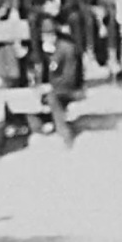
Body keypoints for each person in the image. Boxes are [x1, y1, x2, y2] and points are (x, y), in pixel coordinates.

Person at [39, 16, 84, 149]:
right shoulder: (41, 50)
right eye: (45, 34)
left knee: (52, 98)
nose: (48, 38)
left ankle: (65, 134)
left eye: (51, 34)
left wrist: (50, 86)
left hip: (69, 88)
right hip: (49, 89)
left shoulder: (67, 49)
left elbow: (70, 77)